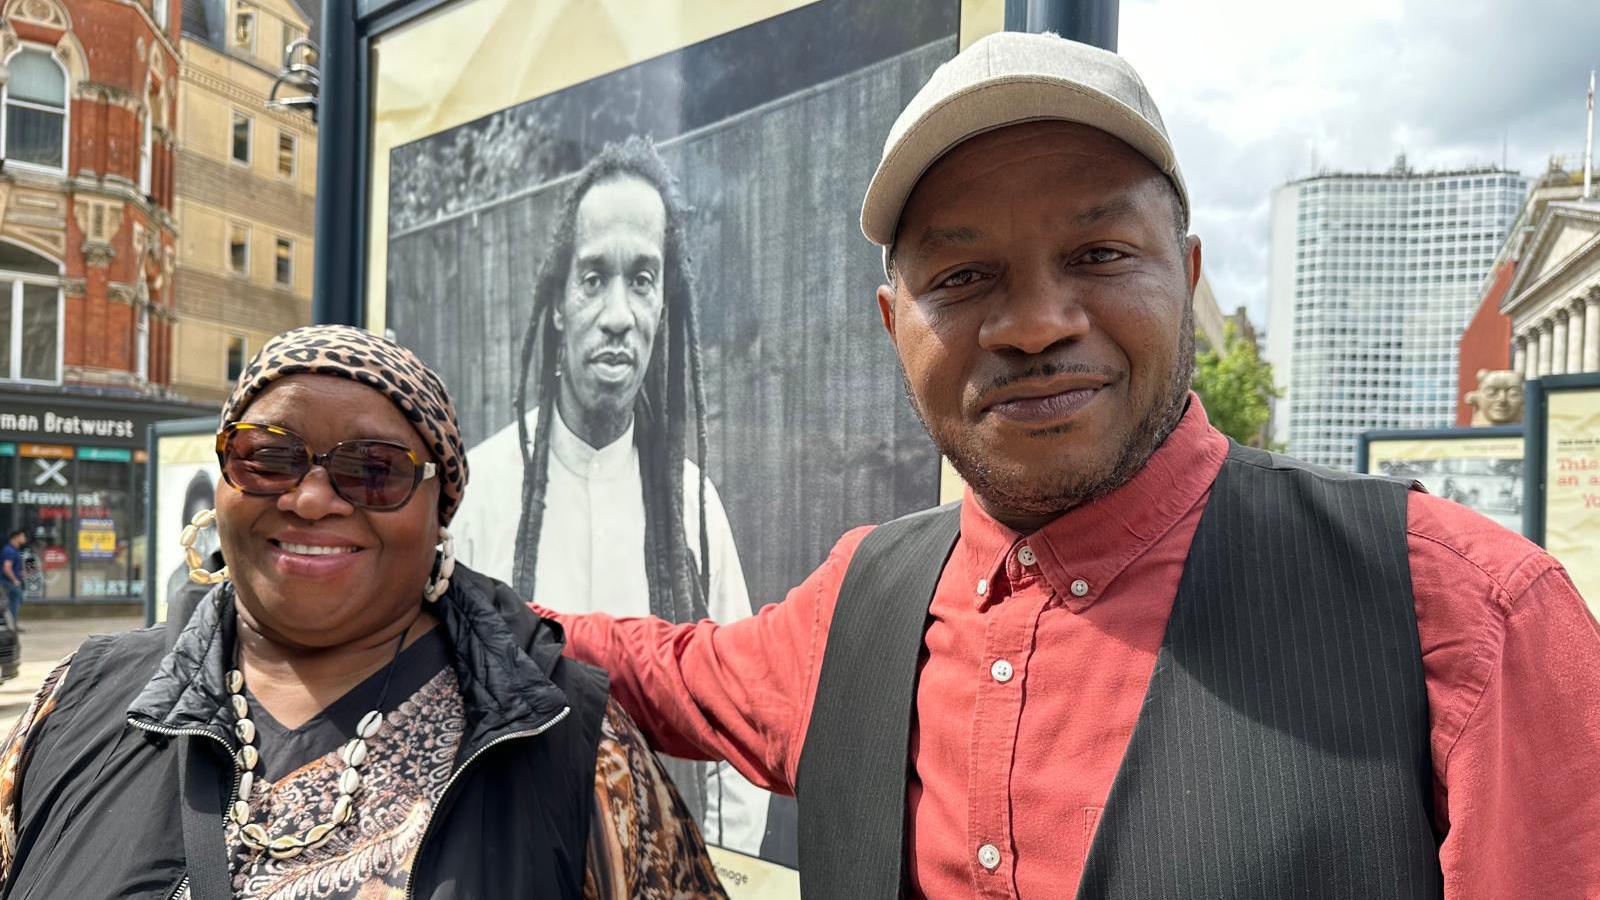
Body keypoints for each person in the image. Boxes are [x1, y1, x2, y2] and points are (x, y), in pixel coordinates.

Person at [538, 32, 1600, 899]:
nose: (1037, 324)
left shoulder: (1463, 612)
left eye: (1098, 255)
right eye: (962, 275)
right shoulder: (860, 601)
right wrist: (440, 600)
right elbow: (665, 668)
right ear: (891, 323)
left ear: (1184, 275)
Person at [0, 325, 725, 900]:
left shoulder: (573, 745)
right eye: (266, 457)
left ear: (442, 509)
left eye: (373, 470)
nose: (311, 499)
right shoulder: (81, 700)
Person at [452, 135, 768, 851]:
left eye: (643, 279)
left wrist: (707, 872)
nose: (619, 313)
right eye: (594, 277)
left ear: (664, 307)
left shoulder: (694, 509)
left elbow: (741, 727)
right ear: (560, 302)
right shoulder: (481, 495)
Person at [1, 531, 24, 629]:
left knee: (16, 600)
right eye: (22, 536)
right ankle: (12, 625)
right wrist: (14, 580)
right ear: (16, 537)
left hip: (11, 581)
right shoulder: (9, 550)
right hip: (7, 581)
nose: (24, 538)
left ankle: (12, 624)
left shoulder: (14, 550)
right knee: (14, 600)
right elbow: (7, 568)